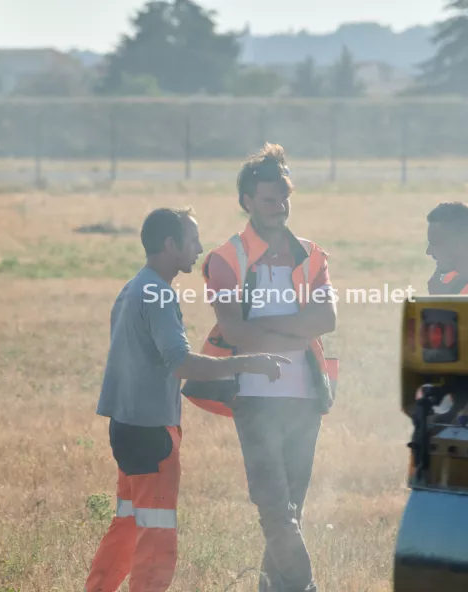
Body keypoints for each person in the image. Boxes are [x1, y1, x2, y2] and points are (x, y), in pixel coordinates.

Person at [85, 206, 292, 592]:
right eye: (192, 239)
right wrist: (250, 364)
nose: (199, 248)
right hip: (152, 434)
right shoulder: (159, 294)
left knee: (128, 524)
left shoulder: (134, 287)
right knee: (157, 537)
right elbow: (180, 363)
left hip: (125, 427)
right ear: (169, 244)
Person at [183, 143, 338, 592]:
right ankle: (306, 586)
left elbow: (326, 320)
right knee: (275, 507)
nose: (280, 208)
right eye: (270, 200)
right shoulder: (224, 259)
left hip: (307, 396)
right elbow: (234, 333)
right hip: (252, 396)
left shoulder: (313, 254)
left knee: (293, 506)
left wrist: (263, 326)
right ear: (247, 202)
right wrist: (294, 329)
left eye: (284, 198)